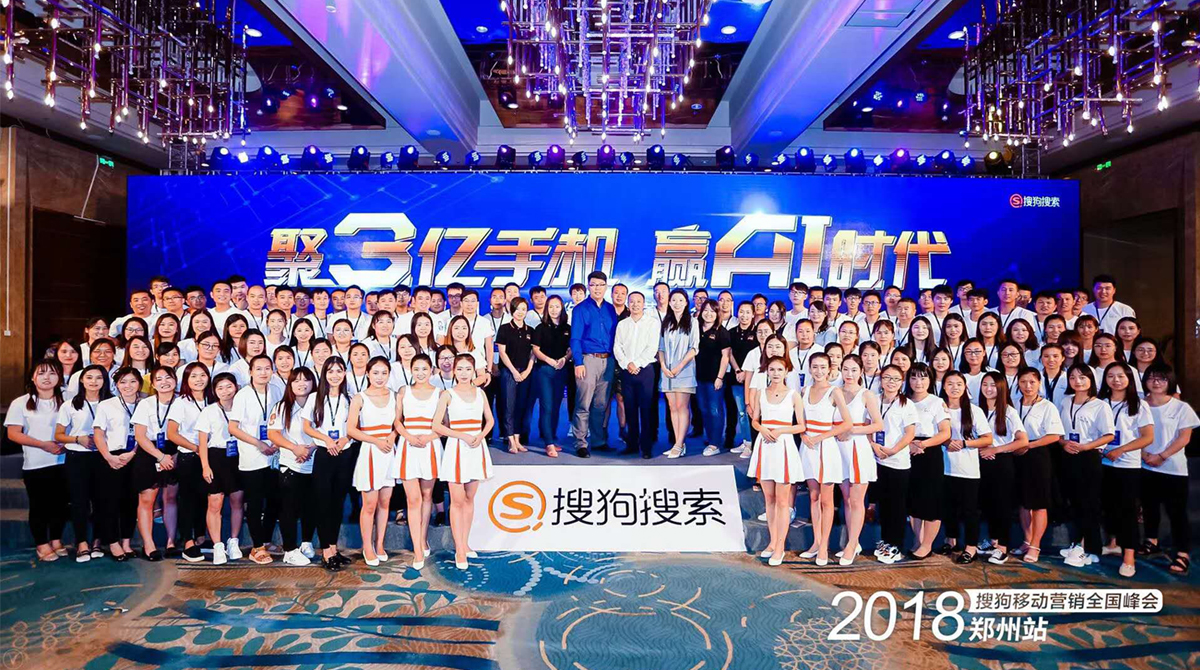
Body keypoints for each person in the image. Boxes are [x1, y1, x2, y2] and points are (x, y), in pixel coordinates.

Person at [434, 354, 495, 569]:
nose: (463, 373)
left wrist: (480, 436)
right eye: (459, 369)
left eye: (468, 369)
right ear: (453, 371)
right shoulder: (447, 394)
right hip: (456, 448)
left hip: (476, 448)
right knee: (457, 501)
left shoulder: (480, 393)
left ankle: (465, 543)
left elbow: (490, 420)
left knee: (469, 499)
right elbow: (437, 426)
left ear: (473, 371)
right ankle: (459, 549)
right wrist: (461, 436)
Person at [6, 360, 68, 562]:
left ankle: (56, 540)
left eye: (52, 373)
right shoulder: (21, 402)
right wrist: (43, 445)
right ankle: (41, 544)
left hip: (64, 461)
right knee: (39, 505)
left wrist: (66, 443)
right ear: (33, 377)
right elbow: (13, 433)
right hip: (36, 463)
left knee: (60, 504)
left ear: (59, 377)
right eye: (41, 373)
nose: (47, 377)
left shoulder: (67, 400)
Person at [748, 356, 807, 566]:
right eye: (772, 369)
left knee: (783, 502)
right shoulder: (761, 393)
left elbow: (801, 426)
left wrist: (781, 430)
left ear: (786, 372)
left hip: (784, 447)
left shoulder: (793, 395)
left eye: (779, 369)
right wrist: (762, 429)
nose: (775, 373)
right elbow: (755, 421)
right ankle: (772, 542)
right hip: (765, 446)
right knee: (769, 500)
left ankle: (780, 546)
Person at [1097, 362, 1154, 577]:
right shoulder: (1100, 402)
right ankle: (1113, 543)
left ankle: (1129, 558)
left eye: (1121, 376)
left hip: (1127, 464)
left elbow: (1148, 437)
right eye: (1111, 376)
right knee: (1108, 507)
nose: (1116, 380)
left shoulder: (1138, 404)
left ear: (1129, 378)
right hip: (1103, 462)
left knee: (1127, 510)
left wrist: (1120, 450)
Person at [1139, 364, 1197, 575]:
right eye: (1152, 378)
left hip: (1172, 467)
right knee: (1149, 507)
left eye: (1162, 379)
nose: (1156, 382)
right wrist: (1144, 455)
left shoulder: (1181, 407)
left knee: (1176, 512)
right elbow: (1132, 432)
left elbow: (1184, 437)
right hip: (1144, 464)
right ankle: (1151, 541)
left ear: (1170, 381)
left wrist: (1161, 456)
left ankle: (1182, 553)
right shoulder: (1139, 404)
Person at [1056, 363, 1115, 568]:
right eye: (1072, 377)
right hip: (1068, 455)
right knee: (1074, 502)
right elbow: (1059, 431)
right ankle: (1078, 544)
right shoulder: (1065, 401)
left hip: (1089, 456)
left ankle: (1089, 548)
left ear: (1091, 380)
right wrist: (1064, 443)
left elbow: (1109, 434)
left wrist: (1086, 446)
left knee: (1088, 503)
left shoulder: (1100, 405)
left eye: (1082, 377)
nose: (1077, 381)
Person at [301, 357, 355, 571]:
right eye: (330, 371)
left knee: (337, 503)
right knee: (323, 502)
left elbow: (355, 426)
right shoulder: (315, 397)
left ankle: (334, 547)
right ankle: (326, 551)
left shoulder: (350, 398)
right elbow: (307, 426)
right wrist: (326, 440)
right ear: (324, 374)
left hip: (344, 452)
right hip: (324, 453)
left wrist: (344, 439)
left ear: (344, 373)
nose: (335, 375)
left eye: (339, 371)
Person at [227, 354, 282, 565]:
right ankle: (256, 547)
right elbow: (233, 427)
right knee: (255, 503)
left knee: (274, 501)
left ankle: (266, 540)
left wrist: (277, 443)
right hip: (252, 456)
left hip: (274, 454)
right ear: (250, 372)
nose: (263, 372)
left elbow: (280, 419)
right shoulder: (243, 395)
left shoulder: (276, 390)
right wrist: (259, 444)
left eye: (267, 368)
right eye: (258, 368)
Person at [390, 353, 443, 570]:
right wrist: (409, 437)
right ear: (411, 370)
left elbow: (445, 425)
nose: (420, 373)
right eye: (416, 369)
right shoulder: (404, 391)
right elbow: (397, 421)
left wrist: (429, 437)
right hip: (408, 446)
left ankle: (422, 538)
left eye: (424, 369)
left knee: (427, 496)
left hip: (430, 446)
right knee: (413, 499)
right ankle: (417, 549)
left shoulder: (439, 393)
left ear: (431, 370)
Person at [798, 353, 852, 566]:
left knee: (827, 500)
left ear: (829, 369)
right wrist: (804, 435)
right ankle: (816, 542)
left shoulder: (834, 391)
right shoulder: (804, 391)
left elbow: (847, 423)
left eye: (823, 367)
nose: (819, 371)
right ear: (809, 369)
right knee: (813, 496)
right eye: (815, 367)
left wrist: (821, 437)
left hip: (826, 447)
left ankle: (824, 547)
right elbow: (801, 420)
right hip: (808, 447)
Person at [54, 364, 111, 561]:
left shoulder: (111, 403)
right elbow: (59, 434)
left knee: (102, 500)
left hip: (104, 457)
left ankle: (97, 541)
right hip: (77, 457)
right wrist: (79, 439)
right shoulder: (70, 405)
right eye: (89, 377)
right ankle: (81, 543)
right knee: (79, 501)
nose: (94, 381)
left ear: (105, 381)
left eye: (99, 378)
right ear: (81, 380)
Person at [936, 371, 993, 563]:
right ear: (943, 386)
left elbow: (988, 439)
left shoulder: (974, 410)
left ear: (965, 387)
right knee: (948, 507)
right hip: (943, 466)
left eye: (959, 384)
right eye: (950, 384)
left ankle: (971, 547)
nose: (954, 388)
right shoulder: (938, 408)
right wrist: (945, 442)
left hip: (967, 469)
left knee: (969, 510)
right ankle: (951, 540)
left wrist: (964, 443)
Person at [1012, 368, 1066, 564]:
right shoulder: (1013, 403)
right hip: (1016, 453)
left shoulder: (1047, 406)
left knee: (1039, 502)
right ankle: (1027, 540)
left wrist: (1028, 445)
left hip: (1037, 454)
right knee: (1023, 501)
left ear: (1039, 383)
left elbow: (1055, 435)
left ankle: (1035, 545)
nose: (1027, 386)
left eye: (1032, 382)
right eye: (1023, 382)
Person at [348, 357, 397, 567]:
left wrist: (392, 436)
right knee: (369, 504)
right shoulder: (359, 398)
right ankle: (367, 546)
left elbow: (399, 423)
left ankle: (380, 544)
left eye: (384, 373)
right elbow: (351, 429)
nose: (380, 377)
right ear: (367, 373)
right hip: (370, 451)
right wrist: (376, 441)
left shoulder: (394, 396)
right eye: (375, 373)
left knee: (385, 502)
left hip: (389, 451)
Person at [164, 362, 215, 562]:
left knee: (205, 497)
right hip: (190, 456)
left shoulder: (213, 399)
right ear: (186, 380)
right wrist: (196, 448)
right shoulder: (181, 402)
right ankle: (187, 541)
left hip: (210, 456)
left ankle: (201, 537)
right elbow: (171, 433)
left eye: (202, 375)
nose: (199, 380)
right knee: (187, 500)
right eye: (193, 376)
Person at [835, 355, 883, 565]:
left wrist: (851, 430)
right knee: (846, 499)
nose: (849, 374)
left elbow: (878, 424)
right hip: (838, 449)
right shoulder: (835, 392)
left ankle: (852, 544)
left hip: (858, 448)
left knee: (856, 500)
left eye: (854, 370)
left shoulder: (866, 394)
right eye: (845, 369)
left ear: (861, 371)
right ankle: (852, 542)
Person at [268, 367, 319, 566]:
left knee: (311, 506)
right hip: (291, 463)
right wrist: (295, 448)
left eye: (306, 380)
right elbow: (273, 434)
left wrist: (311, 448)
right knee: (289, 508)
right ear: (290, 384)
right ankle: (289, 549)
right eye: (296, 380)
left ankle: (306, 542)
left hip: (314, 461)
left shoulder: (319, 404)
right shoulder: (282, 407)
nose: (301, 384)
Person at [977, 372, 1028, 565]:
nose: (988, 388)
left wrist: (996, 449)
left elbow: (1022, 440)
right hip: (981, 461)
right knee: (988, 504)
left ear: (1001, 388)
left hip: (1002, 462)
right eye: (985, 384)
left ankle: (1003, 548)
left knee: (1002, 505)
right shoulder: (977, 409)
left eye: (993, 385)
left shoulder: (1008, 411)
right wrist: (982, 449)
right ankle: (993, 541)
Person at [130, 365, 180, 561]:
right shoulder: (146, 404)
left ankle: (171, 542)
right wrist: (160, 456)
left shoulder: (183, 402)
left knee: (171, 497)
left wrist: (173, 455)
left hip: (175, 450)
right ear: (153, 384)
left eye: (168, 378)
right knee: (147, 500)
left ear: (175, 380)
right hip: (150, 451)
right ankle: (148, 545)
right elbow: (140, 436)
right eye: (159, 379)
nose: (164, 382)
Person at [903, 363, 951, 560]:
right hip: (907, 451)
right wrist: (908, 445)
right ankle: (918, 540)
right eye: (914, 377)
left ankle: (927, 544)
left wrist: (923, 445)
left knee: (931, 501)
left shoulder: (937, 402)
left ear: (930, 380)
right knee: (913, 501)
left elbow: (945, 432)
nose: (918, 382)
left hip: (930, 453)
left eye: (923, 377)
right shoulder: (903, 401)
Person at [870, 364, 917, 564]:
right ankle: (886, 541)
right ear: (881, 380)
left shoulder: (906, 404)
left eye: (896, 379)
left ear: (902, 382)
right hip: (876, 459)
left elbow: (910, 433)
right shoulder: (873, 400)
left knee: (897, 507)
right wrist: (873, 445)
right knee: (883, 504)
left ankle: (896, 545)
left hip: (898, 462)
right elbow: (867, 426)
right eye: (887, 377)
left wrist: (893, 450)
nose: (891, 382)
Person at [195, 372, 242, 565]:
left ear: (236, 387)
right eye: (220, 388)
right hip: (215, 457)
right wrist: (205, 466)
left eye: (229, 386)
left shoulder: (242, 408)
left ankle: (233, 541)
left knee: (237, 501)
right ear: (214, 391)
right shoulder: (209, 411)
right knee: (215, 502)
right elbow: (202, 442)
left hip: (238, 457)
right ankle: (218, 546)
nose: (225, 391)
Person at [570, 271, 618, 458]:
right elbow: (575, 338)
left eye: (600, 285)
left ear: (606, 287)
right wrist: (578, 362)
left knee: (600, 404)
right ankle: (581, 443)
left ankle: (598, 441)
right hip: (588, 360)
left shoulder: (610, 309)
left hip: (608, 360)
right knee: (584, 403)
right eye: (593, 285)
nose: (597, 288)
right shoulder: (580, 309)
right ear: (588, 286)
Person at [613, 291, 660, 459]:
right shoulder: (622, 324)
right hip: (626, 371)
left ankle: (646, 447)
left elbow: (652, 347)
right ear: (628, 303)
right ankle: (632, 445)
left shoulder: (652, 323)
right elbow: (617, 347)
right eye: (632, 301)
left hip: (645, 370)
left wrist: (637, 363)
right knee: (630, 409)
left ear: (644, 304)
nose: (635, 304)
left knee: (646, 409)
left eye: (638, 301)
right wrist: (627, 364)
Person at [659, 289, 700, 458]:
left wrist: (679, 367)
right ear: (669, 302)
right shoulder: (666, 322)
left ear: (686, 303)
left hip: (684, 370)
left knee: (682, 407)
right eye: (674, 300)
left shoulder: (692, 321)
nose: (677, 303)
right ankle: (678, 443)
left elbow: (694, 348)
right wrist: (663, 366)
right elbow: (661, 347)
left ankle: (679, 444)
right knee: (672, 407)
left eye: (680, 300)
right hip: (667, 372)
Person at [532, 296, 571, 458]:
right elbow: (535, 350)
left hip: (561, 370)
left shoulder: (567, 328)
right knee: (546, 406)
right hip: (544, 371)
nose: (554, 310)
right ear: (547, 309)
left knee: (556, 406)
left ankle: (552, 438)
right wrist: (549, 361)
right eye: (551, 307)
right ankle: (548, 443)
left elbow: (571, 348)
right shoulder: (540, 328)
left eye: (557, 306)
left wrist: (564, 359)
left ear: (562, 308)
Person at [497, 297, 535, 454]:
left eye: (523, 309)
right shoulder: (504, 329)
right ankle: (510, 440)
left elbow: (533, 353)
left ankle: (518, 440)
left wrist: (527, 371)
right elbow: (502, 352)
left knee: (521, 406)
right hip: (508, 372)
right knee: (508, 406)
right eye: (517, 309)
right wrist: (513, 371)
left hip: (525, 373)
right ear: (512, 310)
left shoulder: (530, 331)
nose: (520, 312)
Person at [695, 301, 731, 457]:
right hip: (698, 377)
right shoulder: (695, 328)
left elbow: (725, 357)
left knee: (715, 410)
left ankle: (715, 443)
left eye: (712, 311)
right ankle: (710, 438)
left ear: (717, 314)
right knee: (703, 409)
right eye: (706, 310)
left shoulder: (722, 332)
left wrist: (719, 377)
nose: (708, 314)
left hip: (714, 378)